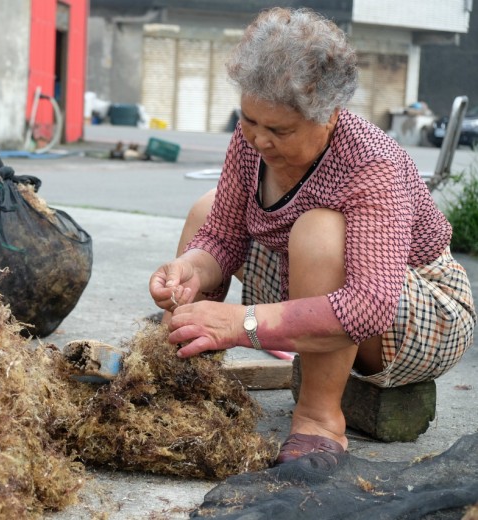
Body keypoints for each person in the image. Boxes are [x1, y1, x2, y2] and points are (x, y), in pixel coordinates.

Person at [149, 7, 475, 465]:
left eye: (279, 130)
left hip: (414, 312)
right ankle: (186, 374)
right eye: (249, 120)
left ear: (328, 116)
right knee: (205, 207)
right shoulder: (251, 140)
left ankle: (320, 420)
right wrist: (188, 270)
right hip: (311, 279)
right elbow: (221, 236)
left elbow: (369, 306)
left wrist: (239, 324)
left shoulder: (370, 163)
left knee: (320, 230)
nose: (259, 140)